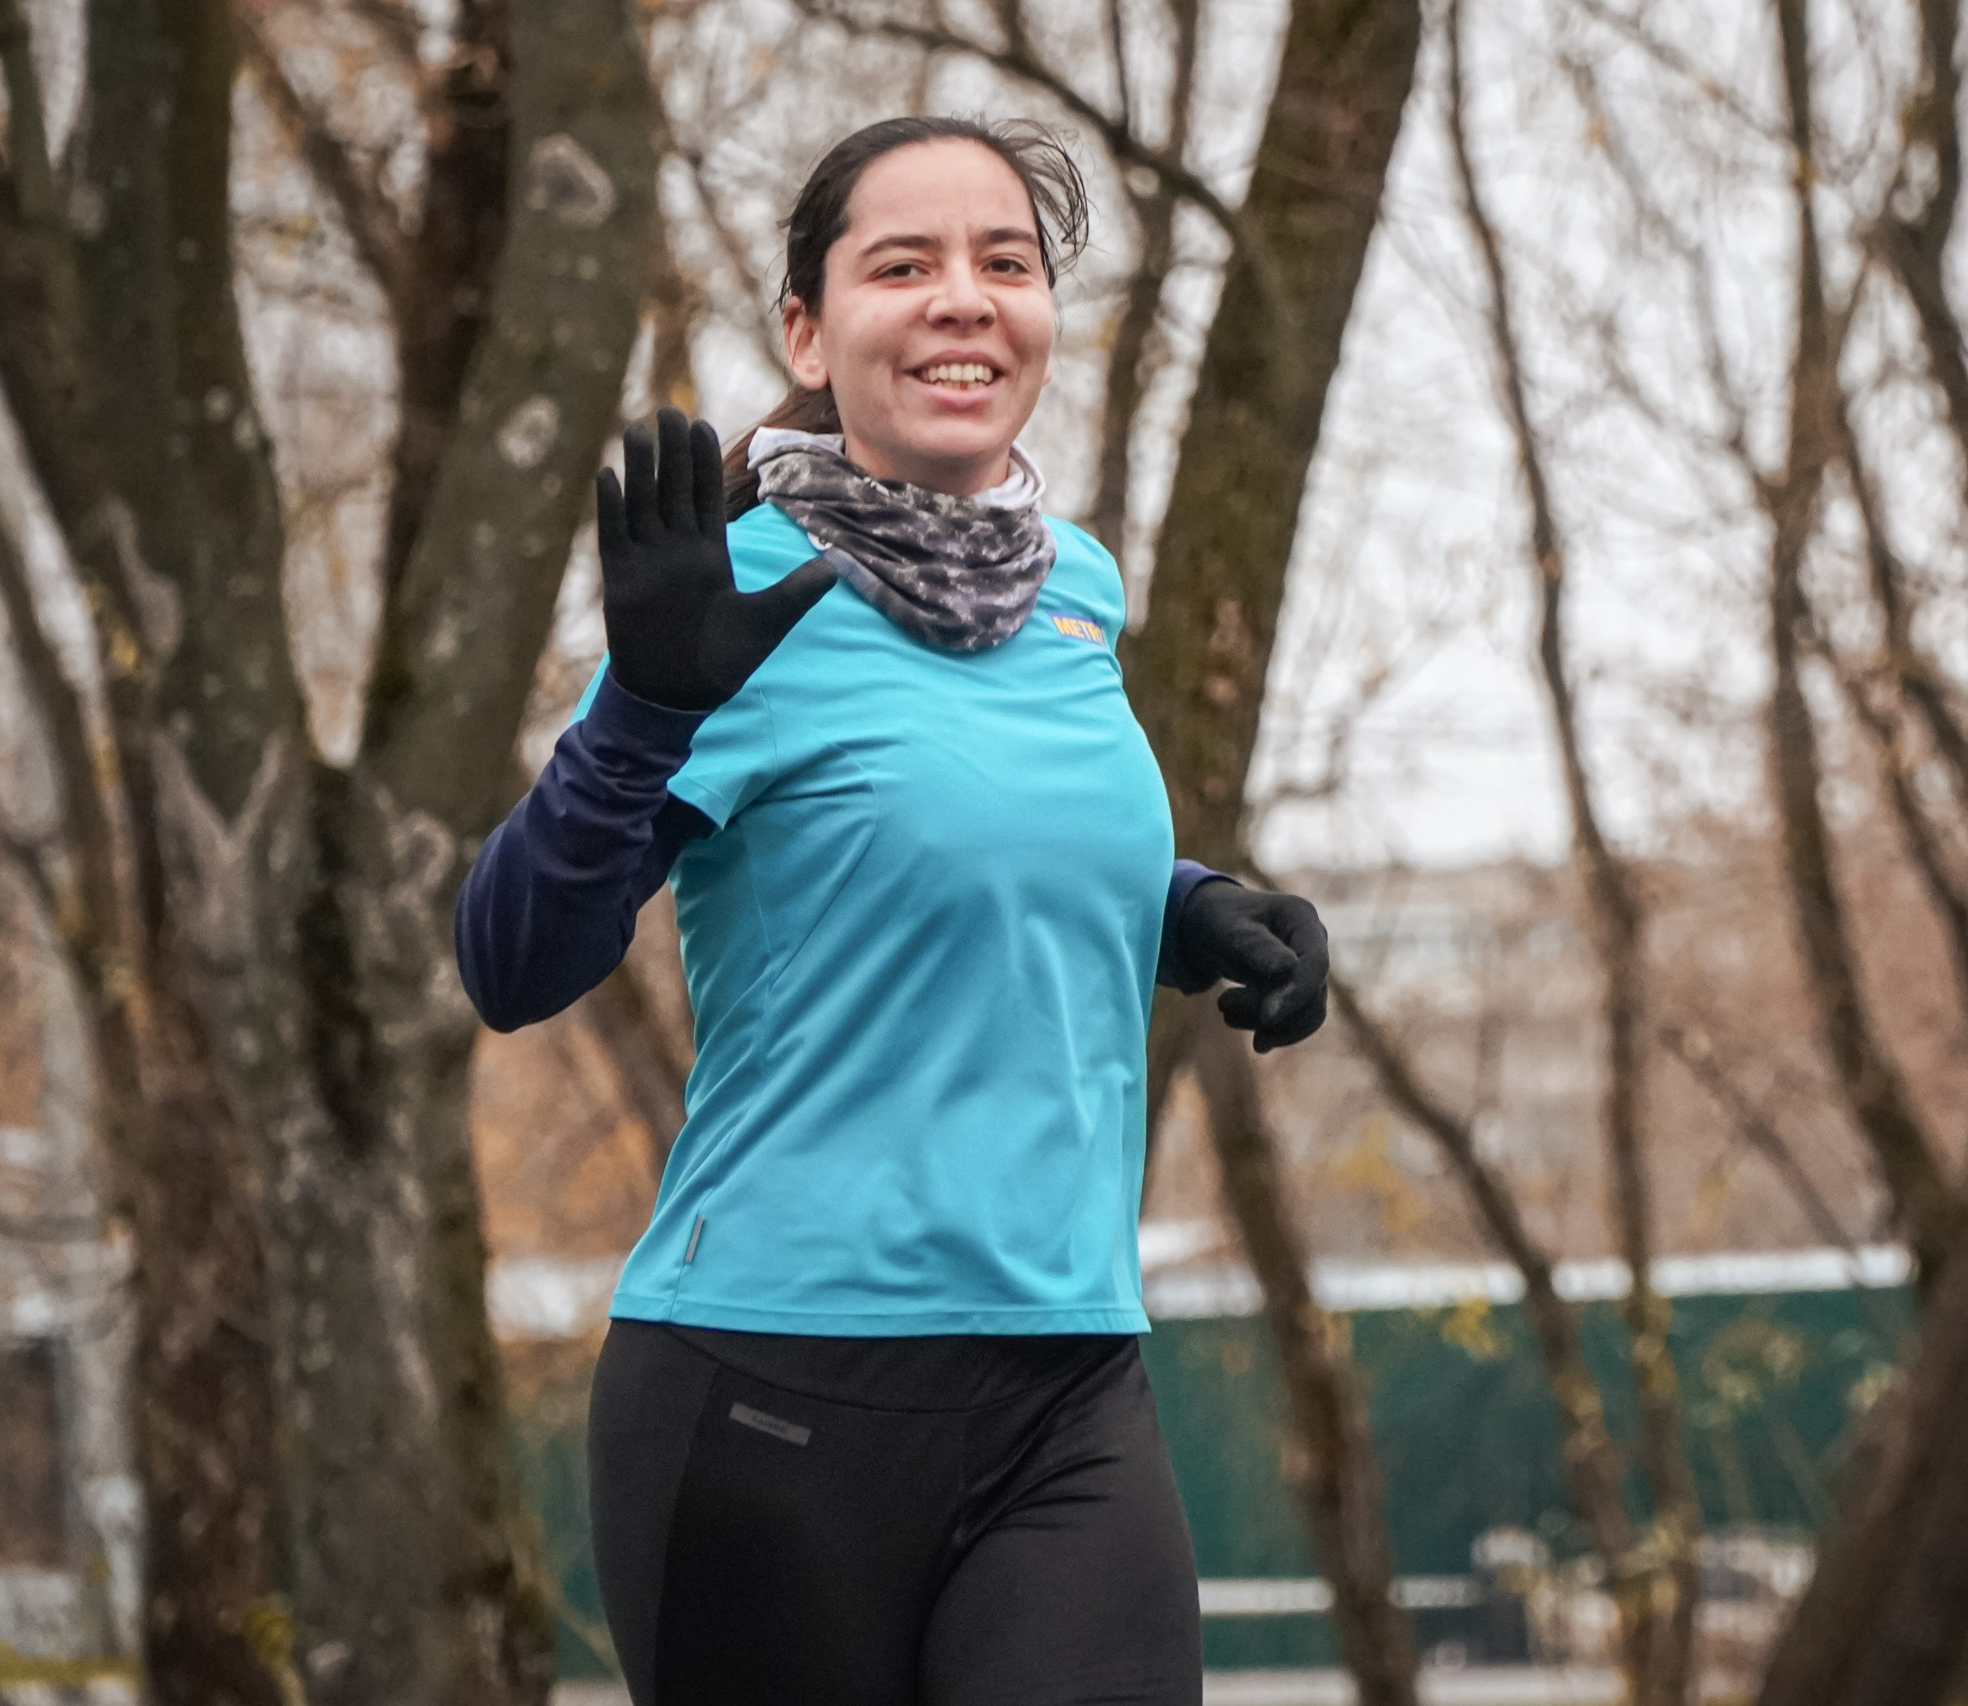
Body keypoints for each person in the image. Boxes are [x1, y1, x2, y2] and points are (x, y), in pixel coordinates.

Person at [455, 115, 1332, 1706]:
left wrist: (1189, 909)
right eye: (904, 264)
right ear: (809, 330)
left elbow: (969, 842)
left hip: (1068, 1381)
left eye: (1006, 263)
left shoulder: (1075, 588)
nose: (964, 298)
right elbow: (512, 960)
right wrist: (641, 710)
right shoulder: (729, 593)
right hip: (773, 1389)